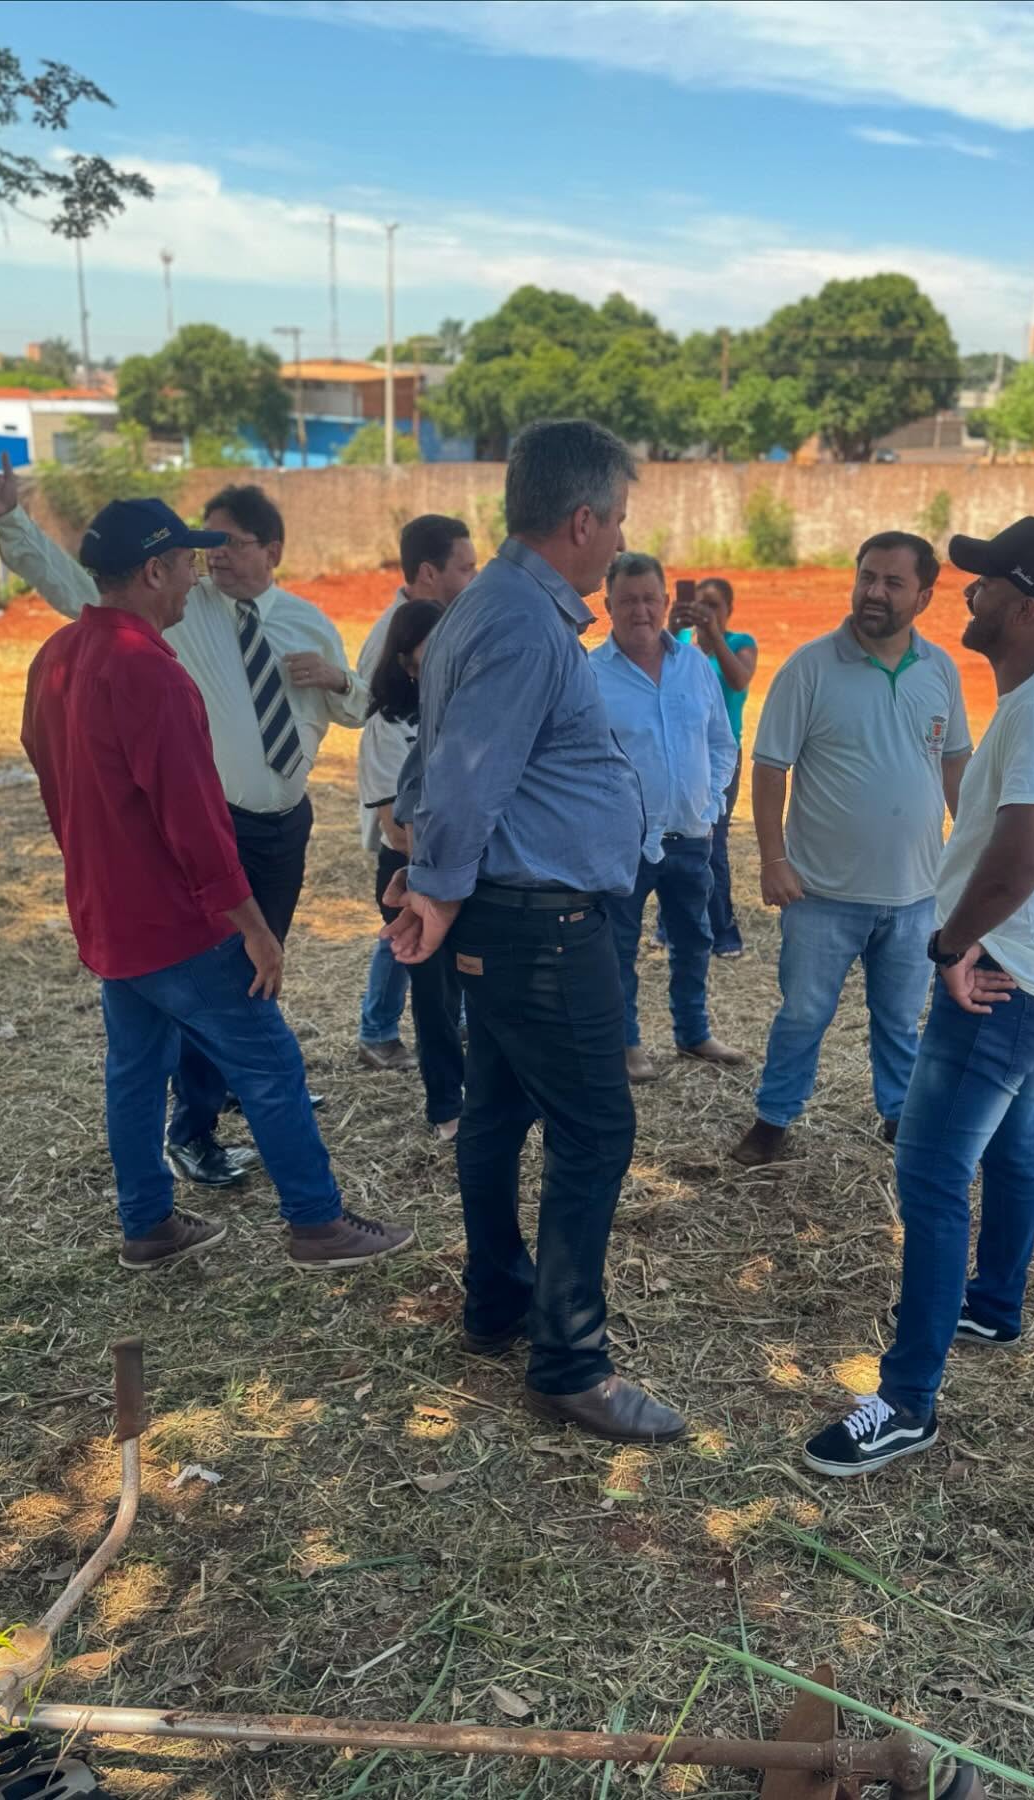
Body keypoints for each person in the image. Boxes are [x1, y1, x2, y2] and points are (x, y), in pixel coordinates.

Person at [803, 517, 1034, 1477]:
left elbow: (1026, 848)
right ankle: (994, 1302)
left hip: (1002, 974)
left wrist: (949, 943)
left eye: (983, 584)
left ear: (1023, 607)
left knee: (931, 1171)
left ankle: (907, 1402)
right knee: (1013, 1140)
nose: (967, 595)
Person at [382, 418, 685, 1446]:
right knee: (597, 1131)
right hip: (542, 928)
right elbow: (464, 782)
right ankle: (569, 1361)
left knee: (501, 1106)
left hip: (523, 923)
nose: (621, 545)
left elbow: (441, 752)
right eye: (620, 524)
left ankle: (499, 1300)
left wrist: (432, 876)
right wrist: (432, 885)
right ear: (586, 519)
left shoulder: (491, 607)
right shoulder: (517, 621)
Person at [19, 497, 414, 1272]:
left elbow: (53, 776)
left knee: (134, 1069)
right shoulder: (150, 673)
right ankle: (316, 1220)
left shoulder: (57, 657)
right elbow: (196, 825)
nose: (193, 578)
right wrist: (253, 928)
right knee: (268, 1062)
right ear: (154, 570)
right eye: (185, 565)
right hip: (177, 921)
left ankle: (148, 1222)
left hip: (111, 915)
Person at [730, 531, 971, 1167]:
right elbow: (769, 768)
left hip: (916, 892)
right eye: (867, 576)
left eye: (893, 582)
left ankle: (900, 1115)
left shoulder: (940, 669)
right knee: (804, 1016)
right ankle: (773, 1120)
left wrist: (969, 856)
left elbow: (954, 766)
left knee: (900, 1020)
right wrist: (774, 861)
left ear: (923, 594)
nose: (874, 592)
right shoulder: (809, 666)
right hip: (821, 894)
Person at [591, 552, 741, 1083]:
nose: (640, 610)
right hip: (624, 845)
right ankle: (627, 1043)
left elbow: (722, 742)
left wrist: (710, 801)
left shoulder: (695, 665)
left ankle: (693, 1032)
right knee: (619, 947)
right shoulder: (590, 675)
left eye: (650, 598)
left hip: (691, 836)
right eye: (628, 600)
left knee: (694, 939)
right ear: (607, 604)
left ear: (665, 602)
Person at [354, 515, 477, 1073]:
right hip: (412, 853)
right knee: (401, 937)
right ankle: (379, 1028)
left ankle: (444, 1029)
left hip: (443, 851)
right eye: (466, 567)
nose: (475, 577)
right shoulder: (394, 688)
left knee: (424, 947)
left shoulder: (453, 638)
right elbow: (392, 823)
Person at [358, 600, 465, 1139]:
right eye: (432, 648)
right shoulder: (387, 725)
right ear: (406, 661)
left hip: (462, 872)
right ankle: (447, 1108)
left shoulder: (466, 708)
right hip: (412, 874)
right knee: (434, 997)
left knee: (468, 989)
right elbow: (396, 829)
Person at [666, 577, 758, 957]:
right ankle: (671, 924)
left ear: (730, 611)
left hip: (720, 758)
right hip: (681, 755)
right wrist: (672, 627)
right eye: (699, 604)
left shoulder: (739, 644)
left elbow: (739, 680)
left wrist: (715, 636)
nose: (705, 611)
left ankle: (724, 931)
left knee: (713, 842)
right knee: (672, 837)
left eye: (715, 605)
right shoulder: (681, 644)